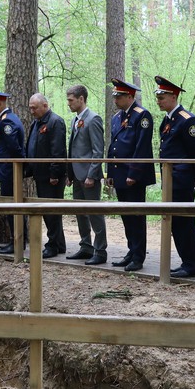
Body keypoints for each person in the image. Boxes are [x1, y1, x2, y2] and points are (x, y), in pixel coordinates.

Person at [154, 76, 195, 278]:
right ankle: (186, 262)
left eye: (162, 97)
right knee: (175, 223)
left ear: (173, 97)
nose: (158, 101)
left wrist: (194, 177)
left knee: (184, 223)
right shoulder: (168, 120)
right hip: (170, 181)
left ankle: (192, 265)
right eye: (158, 97)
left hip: (182, 181)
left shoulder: (187, 120)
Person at [106, 79, 155, 272]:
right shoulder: (117, 117)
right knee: (126, 215)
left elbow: (142, 147)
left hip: (133, 175)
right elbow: (113, 146)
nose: (115, 100)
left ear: (129, 96)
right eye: (115, 96)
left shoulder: (142, 115)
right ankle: (131, 250)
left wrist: (134, 172)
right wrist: (110, 172)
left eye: (119, 96)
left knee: (136, 216)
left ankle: (138, 256)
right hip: (119, 172)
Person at [65, 85, 107, 265]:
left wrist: (91, 175)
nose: (68, 103)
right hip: (76, 175)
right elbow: (74, 149)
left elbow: (98, 151)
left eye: (71, 100)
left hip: (89, 176)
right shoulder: (75, 120)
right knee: (80, 212)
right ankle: (86, 246)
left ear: (81, 99)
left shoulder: (93, 119)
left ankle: (100, 251)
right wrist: (69, 173)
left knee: (94, 213)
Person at [24, 93, 67, 259]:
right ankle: (59, 244)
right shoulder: (36, 123)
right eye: (30, 108)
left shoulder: (55, 122)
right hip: (39, 174)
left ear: (45, 106)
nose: (32, 111)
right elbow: (32, 146)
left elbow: (58, 150)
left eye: (34, 108)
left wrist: (54, 173)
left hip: (51, 176)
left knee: (51, 212)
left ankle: (53, 245)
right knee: (49, 211)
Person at [0, 88, 25, 255]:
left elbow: (13, 147)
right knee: (10, 205)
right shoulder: (4, 119)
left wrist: (17, 165)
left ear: (0, 103)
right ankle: (15, 240)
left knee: (12, 206)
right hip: (6, 169)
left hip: (9, 170)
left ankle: (17, 241)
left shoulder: (7, 121)